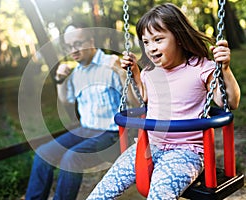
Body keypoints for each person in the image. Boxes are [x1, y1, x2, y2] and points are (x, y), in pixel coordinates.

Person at [87, 3, 240, 200]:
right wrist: (134, 73)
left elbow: (230, 101)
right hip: (150, 146)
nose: (151, 48)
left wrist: (225, 69)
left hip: (186, 152)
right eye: (146, 42)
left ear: (179, 37)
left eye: (158, 39)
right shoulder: (150, 72)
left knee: (159, 196)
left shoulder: (203, 68)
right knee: (101, 192)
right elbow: (141, 99)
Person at [25, 22, 138, 200]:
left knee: (71, 158)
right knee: (43, 154)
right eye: (69, 46)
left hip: (111, 134)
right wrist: (60, 80)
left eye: (78, 43)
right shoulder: (76, 73)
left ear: (91, 40)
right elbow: (66, 101)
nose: (74, 50)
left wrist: (123, 75)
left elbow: (135, 102)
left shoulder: (111, 64)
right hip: (86, 129)